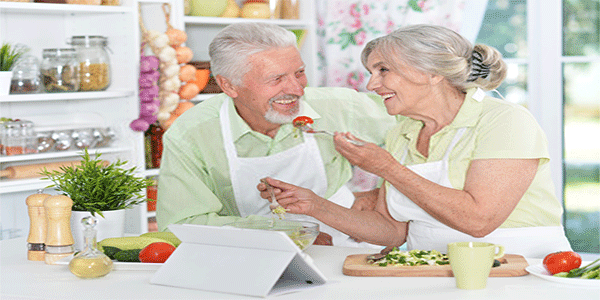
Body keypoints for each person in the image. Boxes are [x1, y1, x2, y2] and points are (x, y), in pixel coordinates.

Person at [260, 24, 573, 258]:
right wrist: (313, 205)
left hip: (517, 271)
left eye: (383, 70)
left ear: (432, 73)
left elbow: (479, 221)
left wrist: (388, 169)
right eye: (371, 72)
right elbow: (391, 230)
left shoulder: (505, 121)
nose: (372, 84)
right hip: (431, 271)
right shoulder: (403, 131)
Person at [156, 22, 397, 248]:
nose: (297, 89)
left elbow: (424, 127)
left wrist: (387, 192)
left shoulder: (339, 106)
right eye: (276, 79)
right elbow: (182, 224)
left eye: (299, 72)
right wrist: (287, 235)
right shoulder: (191, 135)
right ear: (228, 85)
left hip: (351, 244)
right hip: (251, 253)